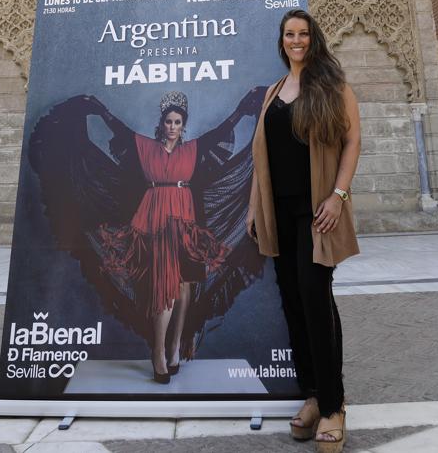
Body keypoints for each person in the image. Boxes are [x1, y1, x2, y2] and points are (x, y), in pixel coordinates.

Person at [29, 87, 266, 384]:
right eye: (169, 121)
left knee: (183, 286)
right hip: (153, 219)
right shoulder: (145, 147)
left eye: (178, 122)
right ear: (162, 123)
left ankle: (176, 346)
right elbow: (119, 128)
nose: (173, 127)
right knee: (163, 287)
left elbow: (223, 131)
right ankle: (157, 352)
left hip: (185, 220)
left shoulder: (192, 149)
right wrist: (98, 109)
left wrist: (242, 110)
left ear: (183, 125)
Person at [247, 9, 361, 453]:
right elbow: (263, 155)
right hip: (278, 212)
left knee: (315, 299)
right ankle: (314, 394)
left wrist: (339, 196)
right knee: (293, 303)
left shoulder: (332, 87)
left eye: (303, 34)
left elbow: (353, 140)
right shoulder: (274, 92)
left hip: (317, 213)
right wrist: (254, 208)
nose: (296, 41)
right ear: (282, 42)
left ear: (314, 40)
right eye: (290, 34)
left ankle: (334, 406)